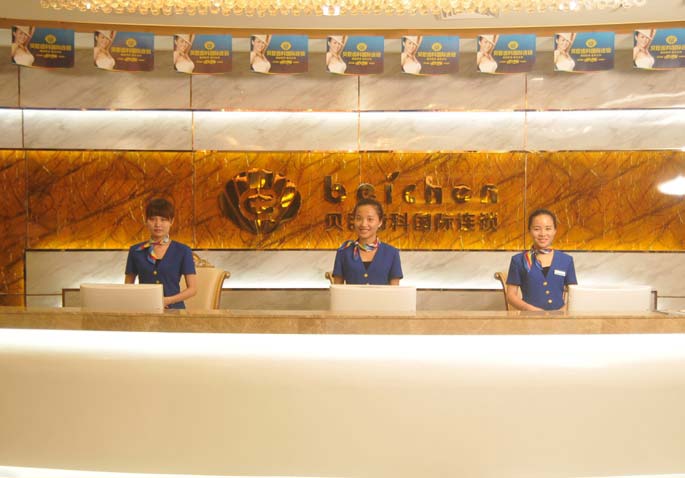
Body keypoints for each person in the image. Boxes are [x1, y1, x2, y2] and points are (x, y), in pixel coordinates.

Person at [125, 198, 197, 309]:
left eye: (163, 220)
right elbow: (128, 287)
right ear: (146, 221)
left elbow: (193, 289)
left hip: (175, 311)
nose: (158, 224)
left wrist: (168, 300)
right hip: (144, 309)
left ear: (171, 221)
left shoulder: (183, 250)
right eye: (153, 219)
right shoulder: (136, 251)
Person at [506, 209, 577, 311]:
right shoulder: (518, 260)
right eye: (537, 229)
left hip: (559, 318)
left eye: (548, 229)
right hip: (529, 317)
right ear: (529, 230)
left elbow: (574, 295)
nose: (543, 234)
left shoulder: (566, 260)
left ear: (555, 231)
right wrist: (530, 310)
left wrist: (561, 313)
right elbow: (511, 295)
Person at [332, 198, 403, 285]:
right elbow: (337, 289)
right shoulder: (343, 252)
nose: (363, 224)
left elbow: (395, 291)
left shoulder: (391, 253)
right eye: (359, 218)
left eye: (370, 219)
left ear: (380, 222)